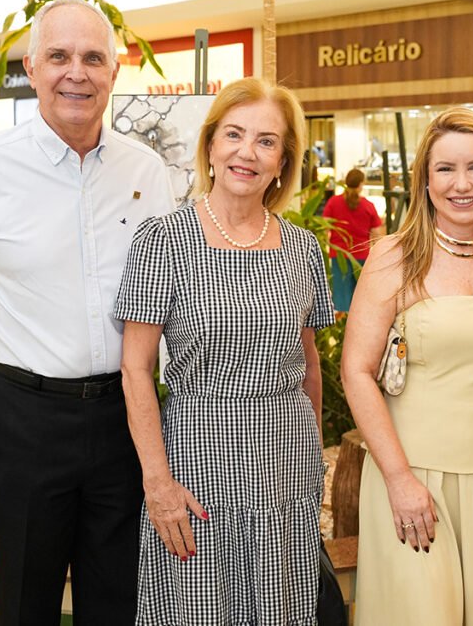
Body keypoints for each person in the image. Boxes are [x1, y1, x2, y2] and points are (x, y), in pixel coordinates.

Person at [0, 0, 173, 624]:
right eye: (58, 56)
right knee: (27, 599)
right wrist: (10, 340)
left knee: (117, 599)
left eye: (93, 58)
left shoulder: (148, 171)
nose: (76, 73)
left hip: (124, 416)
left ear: (115, 70)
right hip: (24, 419)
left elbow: (170, 291)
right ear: (31, 68)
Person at [114, 77, 335, 624]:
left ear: (282, 161)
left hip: (287, 469)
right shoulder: (162, 240)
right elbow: (136, 370)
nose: (247, 152)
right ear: (211, 145)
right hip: (197, 468)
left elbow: (309, 364)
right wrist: (157, 482)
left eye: (266, 141)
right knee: (199, 608)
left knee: (284, 608)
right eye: (234, 134)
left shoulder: (303, 248)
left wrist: (315, 459)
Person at [340, 108, 473, 624]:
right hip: (414, 478)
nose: (462, 184)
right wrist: (398, 478)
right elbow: (357, 371)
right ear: (425, 180)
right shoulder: (395, 256)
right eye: (445, 169)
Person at [322, 168, 384, 312]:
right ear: (361, 184)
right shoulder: (368, 206)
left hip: (339, 256)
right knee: (360, 298)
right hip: (362, 257)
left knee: (340, 298)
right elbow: (377, 235)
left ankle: (341, 325)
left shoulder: (333, 202)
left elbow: (324, 228)